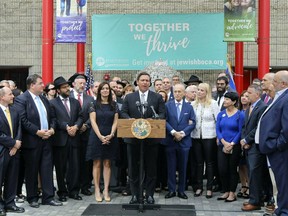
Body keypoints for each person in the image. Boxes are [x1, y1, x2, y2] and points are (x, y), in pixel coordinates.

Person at [14, 74, 62, 208]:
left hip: (47, 139)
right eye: (40, 83)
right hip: (32, 141)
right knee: (32, 170)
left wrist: (52, 129)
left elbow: (53, 117)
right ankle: (32, 197)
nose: (43, 85)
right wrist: (37, 131)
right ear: (32, 85)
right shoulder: (21, 99)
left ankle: (48, 197)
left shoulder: (44, 99)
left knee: (46, 169)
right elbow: (23, 120)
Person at [121, 71, 165, 205]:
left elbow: (162, 113)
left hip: (151, 140)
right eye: (143, 80)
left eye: (147, 80)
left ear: (150, 83)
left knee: (151, 168)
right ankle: (135, 195)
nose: (145, 82)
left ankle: (150, 195)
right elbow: (123, 112)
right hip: (133, 140)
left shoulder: (156, 97)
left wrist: (154, 119)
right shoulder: (129, 97)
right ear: (137, 82)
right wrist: (130, 119)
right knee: (133, 169)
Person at [258, 70, 288, 216]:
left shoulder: (286, 98)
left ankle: (283, 212)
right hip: (275, 149)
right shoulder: (279, 97)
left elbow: (286, 128)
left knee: (283, 184)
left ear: (283, 84)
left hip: (281, 151)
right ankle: (280, 210)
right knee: (281, 185)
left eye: (275, 81)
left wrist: (276, 145)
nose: (272, 84)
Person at [50, 76, 83, 202]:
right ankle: (62, 192)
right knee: (61, 167)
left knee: (74, 166)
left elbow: (80, 116)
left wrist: (76, 126)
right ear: (58, 90)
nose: (67, 89)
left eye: (68, 86)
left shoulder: (75, 102)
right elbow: (53, 119)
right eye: (64, 87)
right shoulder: (52, 103)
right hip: (60, 140)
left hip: (74, 138)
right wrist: (66, 127)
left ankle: (74, 191)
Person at [86, 82, 118, 202]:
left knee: (107, 163)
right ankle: (97, 190)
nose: (105, 90)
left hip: (110, 136)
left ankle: (106, 190)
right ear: (99, 91)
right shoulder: (93, 104)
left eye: (107, 89)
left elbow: (116, 121)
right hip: (96, 136)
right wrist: (100, 136)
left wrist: (111, 134)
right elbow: (93, 121)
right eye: (103, 89)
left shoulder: (114, 105)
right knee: (97, 163)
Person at [164, 83, 196, 200]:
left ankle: (181, 190)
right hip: (170, 140)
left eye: (179, 92)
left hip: (184, 141)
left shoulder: (189, 107)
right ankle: (171, 190)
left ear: (184, 93)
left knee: (183, 167)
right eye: (175, 91)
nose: (177, 93)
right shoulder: (167, 105)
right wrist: (173, 132)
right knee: (171, 166)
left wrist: (181, 134)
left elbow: (193, 122)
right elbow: (164, 121)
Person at [240, 84, 267, 211]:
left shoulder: (262, 107)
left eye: (249, 93)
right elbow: (246, 126)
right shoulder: (249, 107)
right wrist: (243, 140)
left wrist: (247, 140)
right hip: (247, 146)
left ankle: (255, 201)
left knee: (255, 174)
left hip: (255, 146)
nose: (247, 95)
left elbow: (258, 127)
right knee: (251, 173)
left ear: (257, 94)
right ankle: (255, 198)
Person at [191, 83, 219, 199]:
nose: (199, 92)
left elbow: (217, 120)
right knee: (198, 162)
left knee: (209, 162)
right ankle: (198, 187)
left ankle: (209, 187)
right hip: (196, 136)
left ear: (207, 92)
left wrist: (218, 136)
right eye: (198, 90)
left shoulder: (213, 104)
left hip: (210, 136)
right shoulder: (193, 104)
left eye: (202, 90)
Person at [0, 87, 25, 215]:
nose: (13, 96)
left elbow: (19, 128)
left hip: (14, 151)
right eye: (10, 94)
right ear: (2, 97)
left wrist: (16, 145)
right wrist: (13, 143)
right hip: (2, 150)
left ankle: (10, 203)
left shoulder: (14, 111)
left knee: (12, 178)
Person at [216, 92, 244, 202]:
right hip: (222, 145)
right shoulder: (221, 114)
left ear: (234, 101)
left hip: (234, 146)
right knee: (222, 169)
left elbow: (240, 131)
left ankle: (232, 193)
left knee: (232, 169)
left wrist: (231, 144)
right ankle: (226, 190)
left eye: (227, 99)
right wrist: (223, 141)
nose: (225, 101)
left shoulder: (240, 115)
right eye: (224, 99)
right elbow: (218, 129)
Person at [69, 74, 94, 196]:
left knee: (86, 162)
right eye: (80, 83)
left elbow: (93, 115)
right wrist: (75, 126)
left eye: (84, 83)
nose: (83, 85)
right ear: (73, 84)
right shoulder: (67, 96)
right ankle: (73, 186)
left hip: (86, 134)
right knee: (73, 162)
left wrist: (86, 125)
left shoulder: (90, 99)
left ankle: (85, 186)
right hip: (71, 134)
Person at [237, 90, 250, 199]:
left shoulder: (251, 110)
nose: (244, 98)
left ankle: (250, 186)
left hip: (247, 141)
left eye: (247, 96)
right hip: (238, 141)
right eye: (242, 96)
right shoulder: (238, 111)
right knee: (241, 166)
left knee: (248, 165)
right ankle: (243, 185)